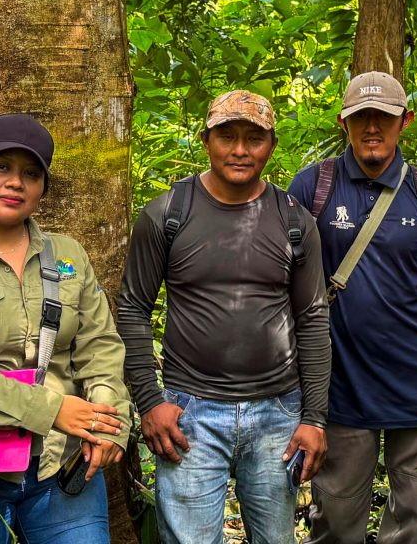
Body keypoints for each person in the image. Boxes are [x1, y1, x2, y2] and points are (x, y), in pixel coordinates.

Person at [118, 90, 331, 544]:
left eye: (254, 138)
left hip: (277, 412)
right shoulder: (166, 215)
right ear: (206, 140)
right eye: (226, 136)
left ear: (271, 145)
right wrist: (150, 403)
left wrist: (314, 418)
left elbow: (313, 318)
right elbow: (133, 307)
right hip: (190, 413)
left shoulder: (294, 221)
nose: (240, 150)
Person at [289, 71, 417, 543]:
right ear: (343, 122)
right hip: (340, 385)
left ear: (404, 121)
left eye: (384, 118)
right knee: (335, 518)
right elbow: (284, 285)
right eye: (361, 118)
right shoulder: (313, 187)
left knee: (416, 518)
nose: (373, 128)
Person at [0, 113, 131, 543]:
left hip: (61, 466)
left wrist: (108, 422)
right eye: (1, 166)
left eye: (31, 174)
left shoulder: (68, 255)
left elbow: (100, 347)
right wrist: (53, 410)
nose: (15, 182)